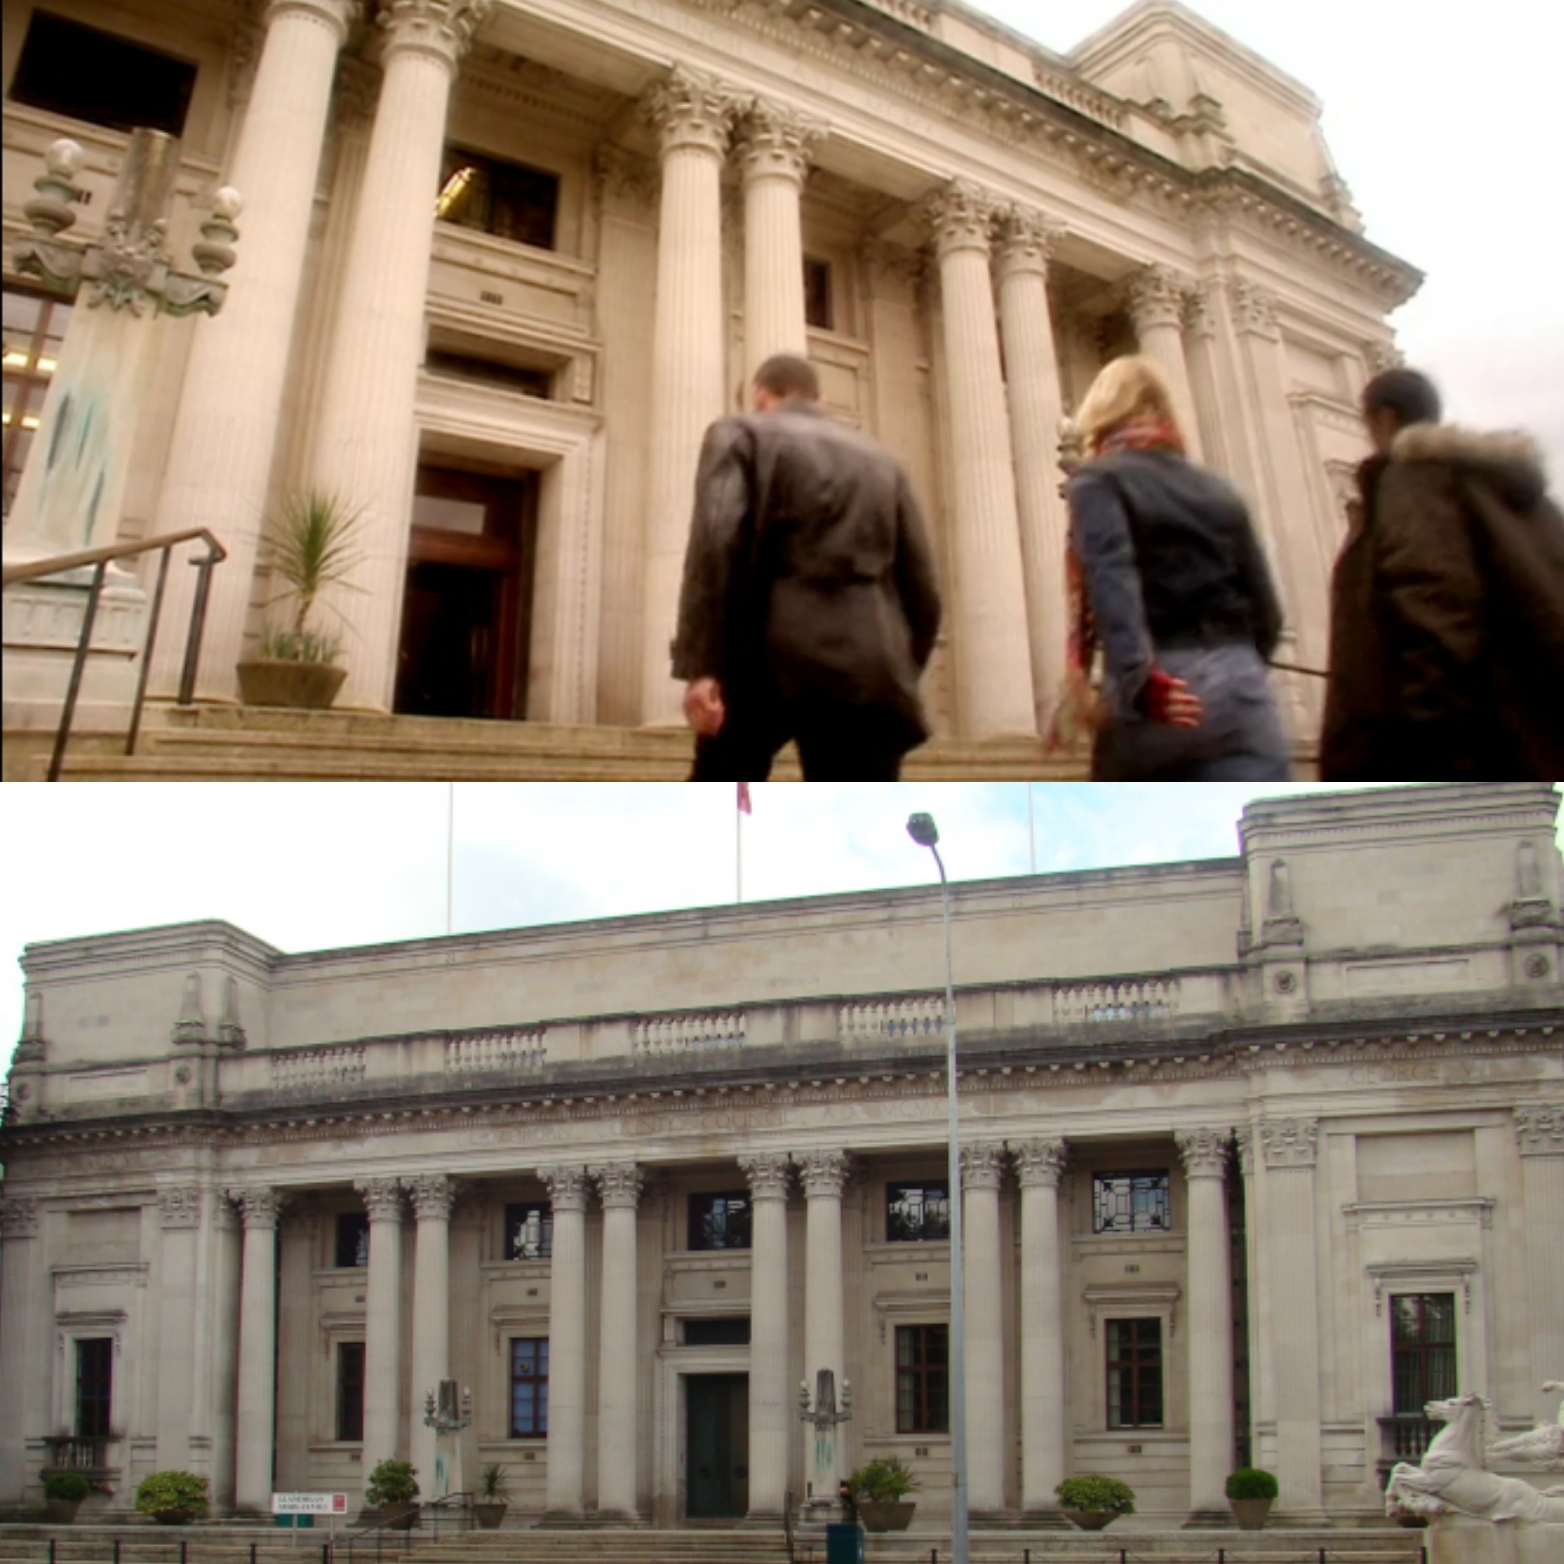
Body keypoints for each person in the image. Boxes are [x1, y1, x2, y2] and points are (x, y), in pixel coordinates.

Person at [671, 353, 942, 780]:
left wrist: (702, 664)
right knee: (859, 826)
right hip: (867, 664)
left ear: (760, 394)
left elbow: (715, 548)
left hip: (760, 659)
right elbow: (922, 590)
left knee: (721, 808)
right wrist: (901, 668)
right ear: (815, 397)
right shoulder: (884, 461)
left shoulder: (738, 433)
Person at [1321, 367, 1564, 779]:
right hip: (1533, 739)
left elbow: (1433, 600)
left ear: (1385, 419)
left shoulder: (1414, 479)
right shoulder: (1525, 498)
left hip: (1455, 752)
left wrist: (1441, 755)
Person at [1060, 354, 1290, 780]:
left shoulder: (1099, 480)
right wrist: (1236, 672)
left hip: (1164, 678)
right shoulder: (1220, 490)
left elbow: (1114, 580)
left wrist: (1137, 681)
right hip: (1241, 684)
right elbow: (1268, 612)